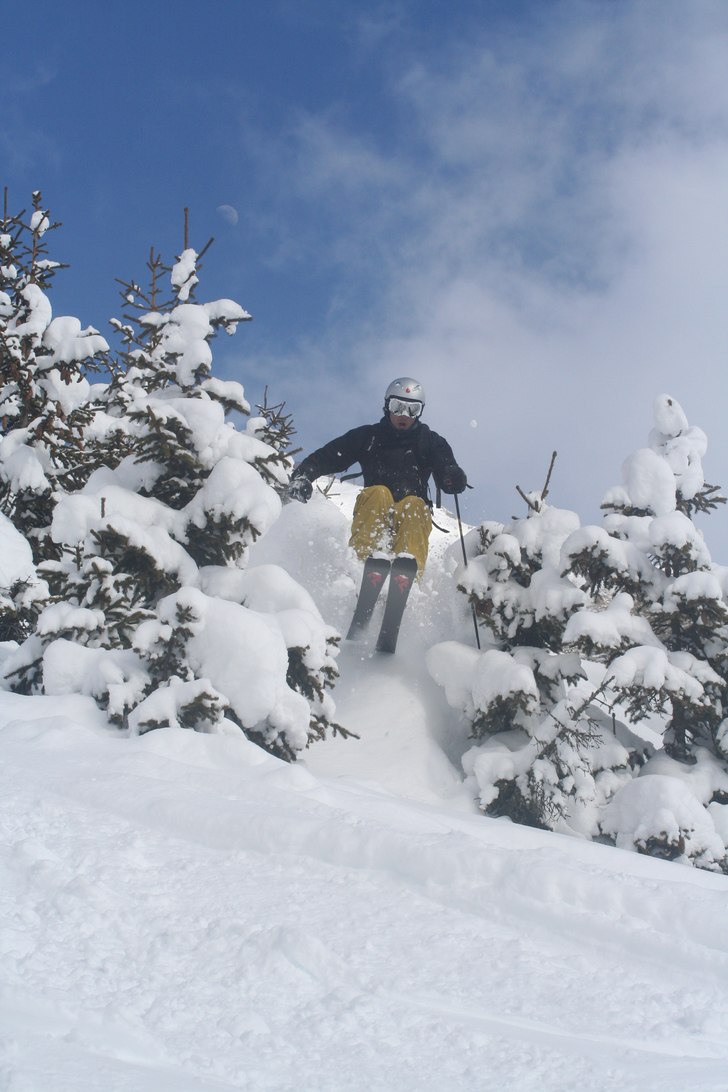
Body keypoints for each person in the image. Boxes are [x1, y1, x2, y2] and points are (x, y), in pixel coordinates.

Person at [287, 377, 467, 576]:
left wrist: (452, 477)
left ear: (420, 412)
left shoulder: (430, 441)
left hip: (411, 517)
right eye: (397, 406)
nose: (404, 415)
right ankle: (363, 566)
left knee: (415, 505)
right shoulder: (369, 437)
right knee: (378, 493)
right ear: (387, 406)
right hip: (374, 511)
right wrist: (303, 475)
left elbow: (447, 471)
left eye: (412, 409)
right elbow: (328, 456)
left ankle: (406, 577)